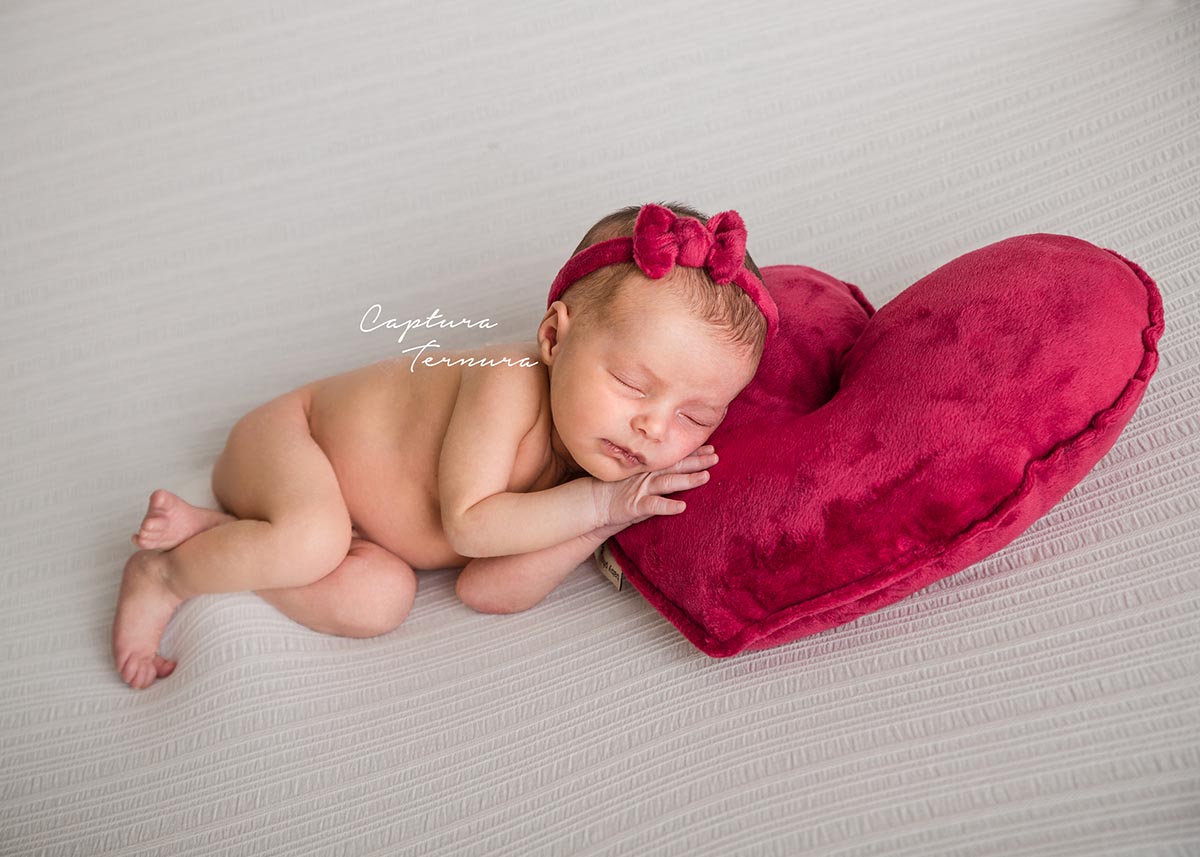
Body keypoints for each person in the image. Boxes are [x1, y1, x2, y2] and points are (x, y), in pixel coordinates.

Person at [111, 201, 779, 689]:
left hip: (362, 531)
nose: (655, 428)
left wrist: (611, 517)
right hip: (293, 441)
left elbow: (486, 589)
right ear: (554, 338)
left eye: (696, 416)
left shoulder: (590, 459)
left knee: (380, 602)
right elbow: (470, 523)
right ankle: (166, 572)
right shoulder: (507, 381)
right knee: (311, 537)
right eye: (634, 382)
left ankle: (233, 537)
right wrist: (597, 506)